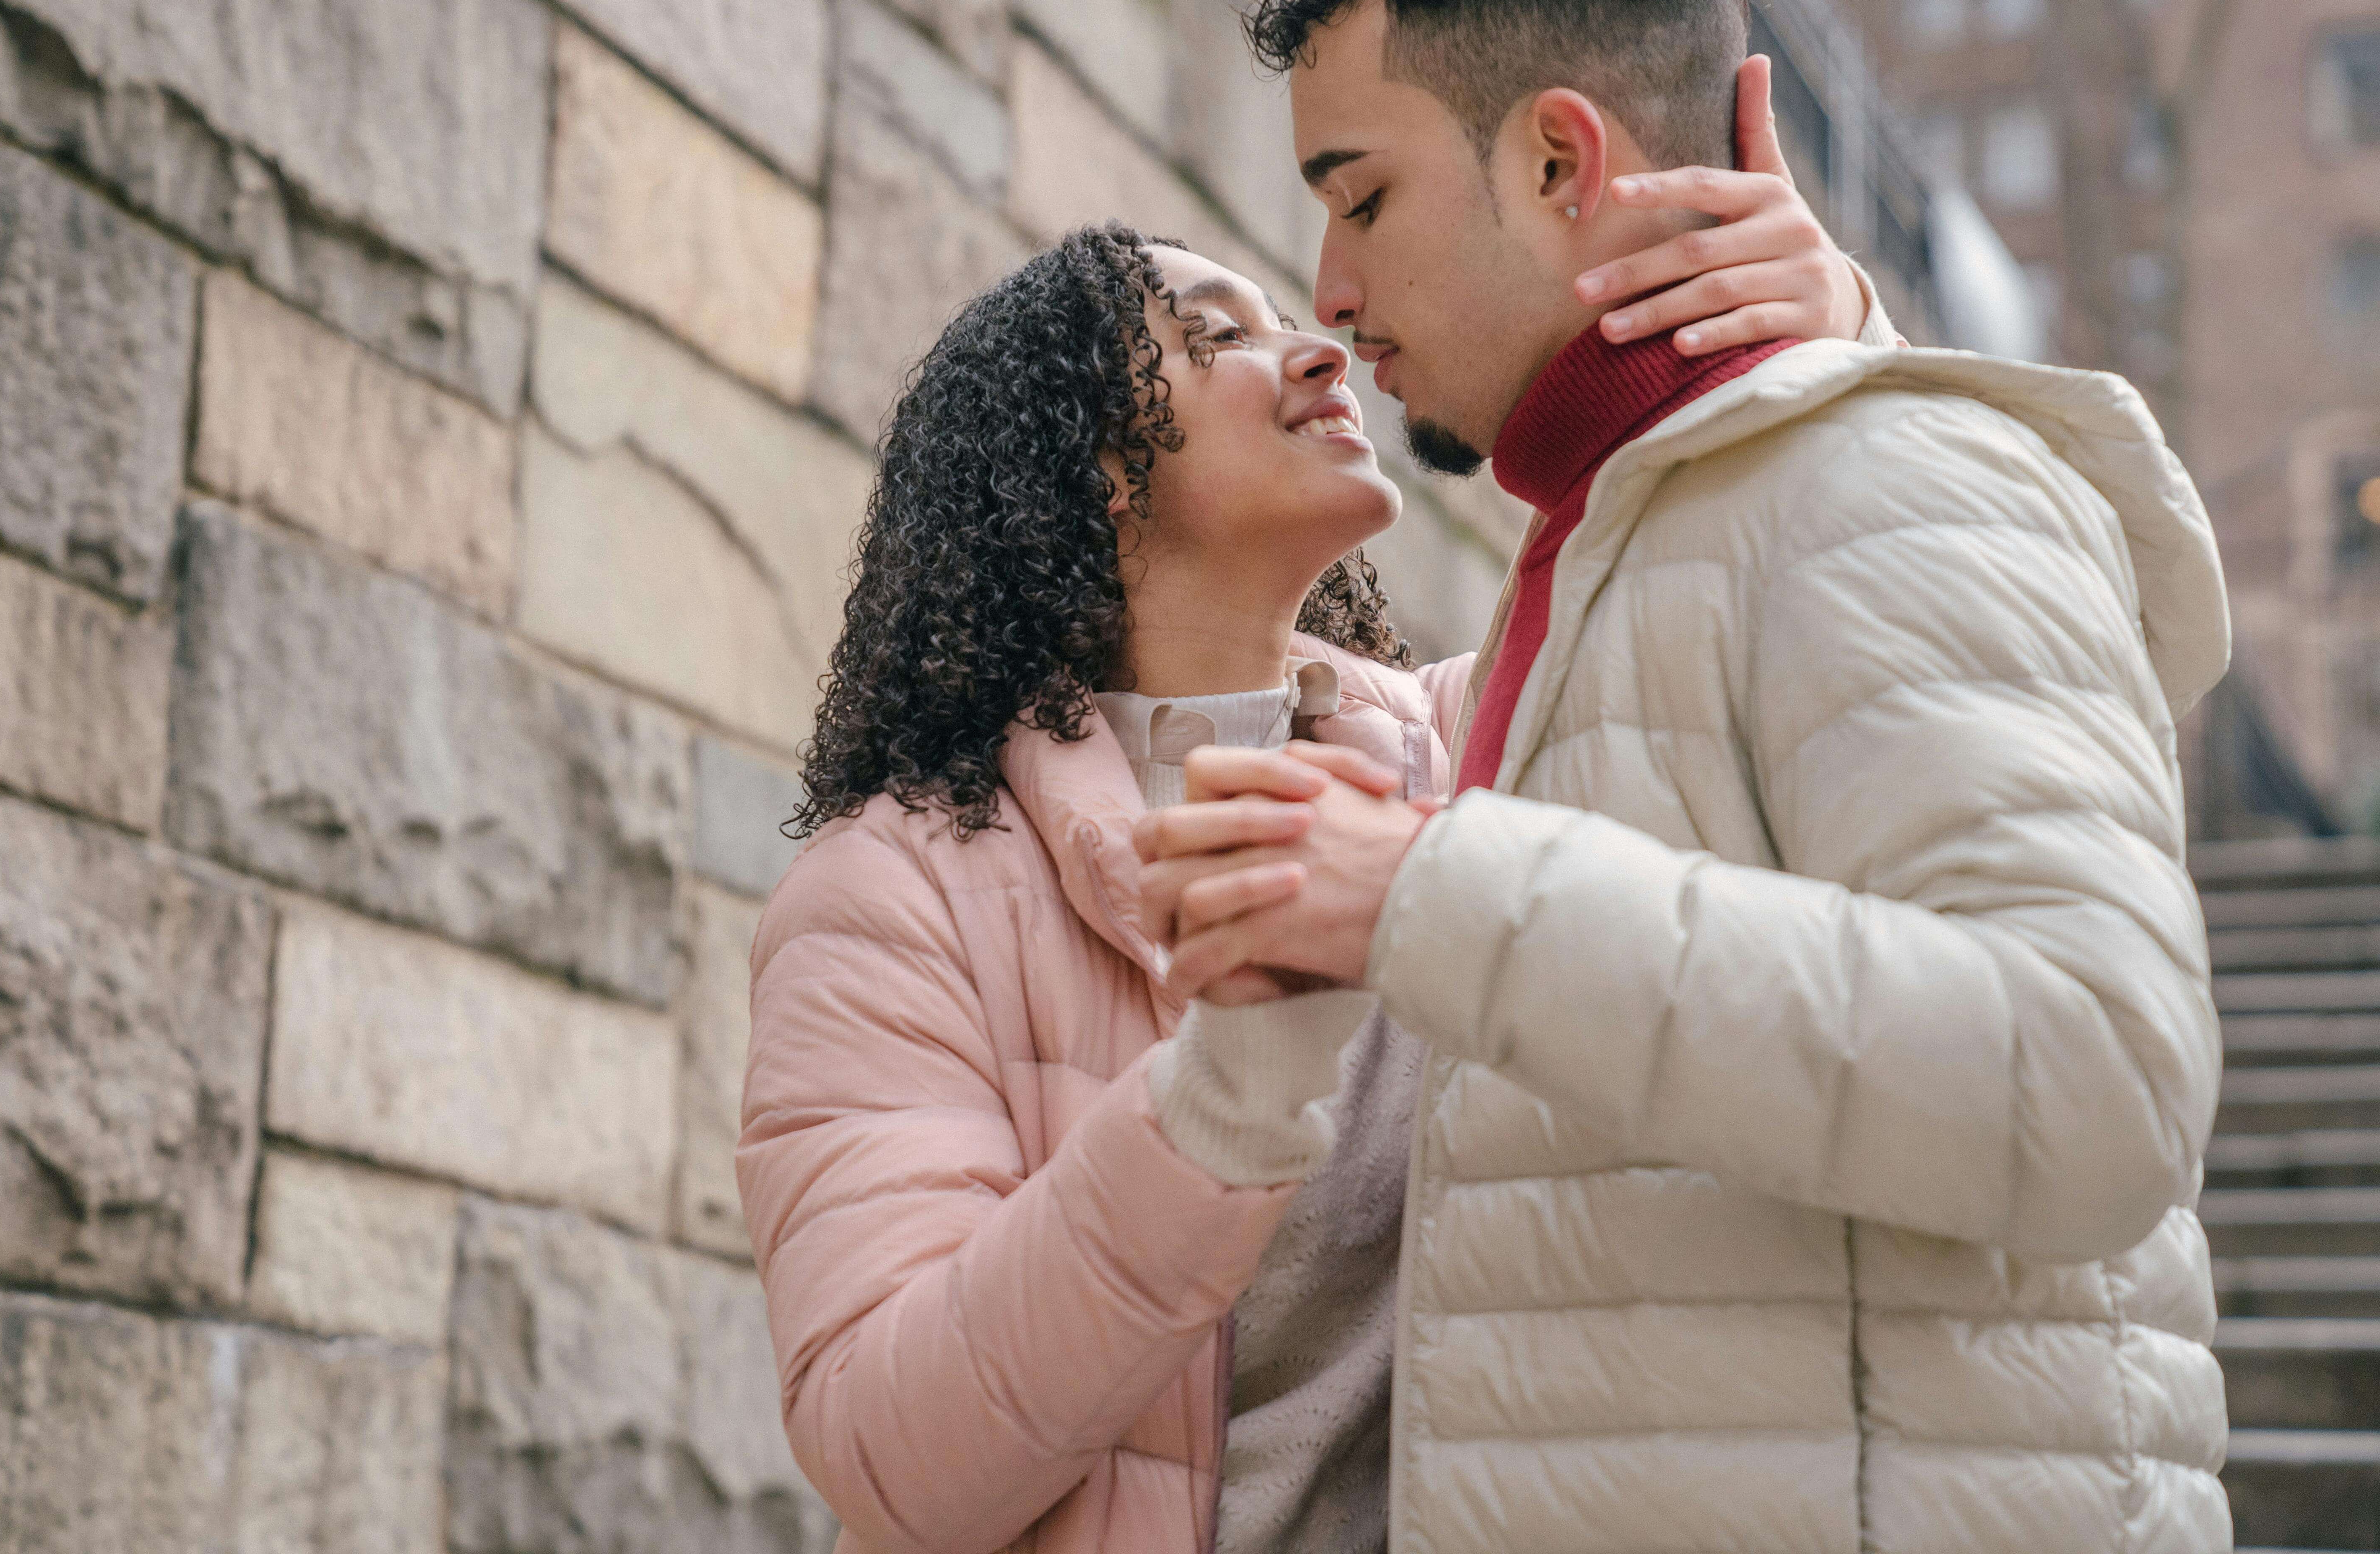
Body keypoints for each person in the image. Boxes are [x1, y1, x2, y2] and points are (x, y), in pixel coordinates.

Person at [1134, 0, 2234, 1551]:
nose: (1329, 295)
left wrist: (1432, 894)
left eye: (1360, 199)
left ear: (1563, 161)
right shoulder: (1609, 547)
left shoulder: (1889, 480)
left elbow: (2099, 1079)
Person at [736, 107, 1892, 1548]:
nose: (1319, 349)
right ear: (1084, 474)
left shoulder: (1499, 736)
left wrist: (1835, 343)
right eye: (1216, 335)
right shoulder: (894, 894)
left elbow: (1884, 672)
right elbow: (895, 1455)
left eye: (1289, 316)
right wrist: (1228, 1096)